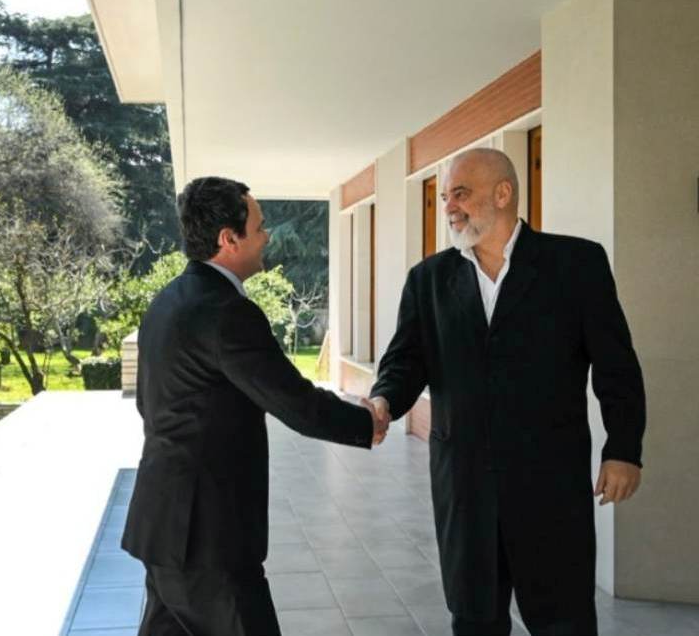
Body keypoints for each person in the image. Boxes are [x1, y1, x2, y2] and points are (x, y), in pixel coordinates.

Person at [368, 148, 646, 636]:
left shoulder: (576, 264)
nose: (449, 206)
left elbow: (616, 365)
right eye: (445, 196)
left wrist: (623, 449)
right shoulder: (428, 280)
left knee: (565, 621)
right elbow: (405, 361)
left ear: (503, 193)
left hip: (550, 486)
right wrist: (384, 401)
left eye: (460, 193)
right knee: (474, 621)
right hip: (465, 488)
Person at [122, 176, 390, 636]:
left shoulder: (167, 301)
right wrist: (366, 423)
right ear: (229, 239)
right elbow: (294, 402)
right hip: (208, 539)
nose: (267, 236)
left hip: (162, 526)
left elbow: (148, 405)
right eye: (260, 226)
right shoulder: (227, 312)